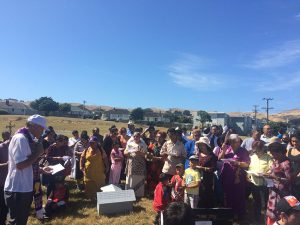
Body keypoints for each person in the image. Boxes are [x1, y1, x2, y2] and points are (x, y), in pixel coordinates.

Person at [4, 115, 52, 225]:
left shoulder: (27, 138)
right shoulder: (21, 139)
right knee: (17, 221)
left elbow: (26, 163)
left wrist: (40, 169)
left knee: (21, 220)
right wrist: (37, 153)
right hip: (17, 188)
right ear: (33, 126)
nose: (43, 131)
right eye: (41, 128)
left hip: (24, 187)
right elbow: (20, 165)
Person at [219, 134, 250, 219]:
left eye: (237, 141)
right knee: (228, 195)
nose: (235, 143)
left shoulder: (243, 151)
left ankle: (240, 214)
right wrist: (223, 151)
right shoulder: (227, 149)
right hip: (227, 176)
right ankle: (230, 213)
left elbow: (247, 164)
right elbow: (219, 159)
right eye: (232, 142)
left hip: (238, 177)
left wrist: (238, 163)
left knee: (239, 195)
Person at [265, 142, 292, 225]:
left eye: (274, 154)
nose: (273, 156)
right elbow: (272, 171)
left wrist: (276, 178)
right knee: (271, 211)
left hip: (282, 193)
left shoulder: (286, 163)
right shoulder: (276, 161)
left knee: (279, 212)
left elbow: (289, 180)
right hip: (273, 191)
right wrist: (266, 174)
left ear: (280, 152)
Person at [247, 140, 272, 222]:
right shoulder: (252, 157)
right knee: (256, 202)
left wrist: (265, 173)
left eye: (257, 150)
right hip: (254, 183)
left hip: (263, 185)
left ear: (262, 149)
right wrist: (249, 174)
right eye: (254, 150)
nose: (255, 152)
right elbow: (250, 168)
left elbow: (271, 169)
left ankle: (264, 220)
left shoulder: (268, 157)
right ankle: (257, 219)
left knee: (263, 204)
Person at [195, 137, 217, 208]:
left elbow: (213, 168)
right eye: (200, 145)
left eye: (202, 145)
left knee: (207, 193)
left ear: (206, 145)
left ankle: (208, 211)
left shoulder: (212, 156)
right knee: (199, 193)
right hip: (198, 177)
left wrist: (202, 168)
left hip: (208, 178)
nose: (201, 147)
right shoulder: (198, 155)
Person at [124, 132, 148, 198]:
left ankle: (138, 193)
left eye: (137, 136)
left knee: (139, 178)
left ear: (140, 137)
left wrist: (140, 153)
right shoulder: (130, 143)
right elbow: (125, 152)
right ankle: (129, 193)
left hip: (140, 164)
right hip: (131, 163)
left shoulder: (143, 144)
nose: (135, 137)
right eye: (134, 136)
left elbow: (146, 155)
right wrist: (129, 152)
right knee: (131, 178)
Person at [146, 131, 167, 196]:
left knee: (159, 179)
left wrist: (155, 158)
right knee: (151, 178)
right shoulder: (154, 144)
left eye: (160, 137)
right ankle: (151, 192)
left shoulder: (166, 145)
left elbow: (164, 158)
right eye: (157, 136)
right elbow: (149, 151)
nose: (158, 138)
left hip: (161, 166)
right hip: (153, 165)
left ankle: (159, 193)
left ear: (164, 138)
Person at [286, 133, 300, 200]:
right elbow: (285, 162)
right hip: (289, 177)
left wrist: (297, 177)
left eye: (296, 141)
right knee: (289, 199)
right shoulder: (289, 150)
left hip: (298, 179)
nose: (294, 143)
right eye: (292, 141)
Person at [0, 138, 9, 225]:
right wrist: (6, 164)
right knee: (2, 204)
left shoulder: (14, 148)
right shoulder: (1, 148)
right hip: (1, 181)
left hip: (9, 182)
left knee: (6, 205)